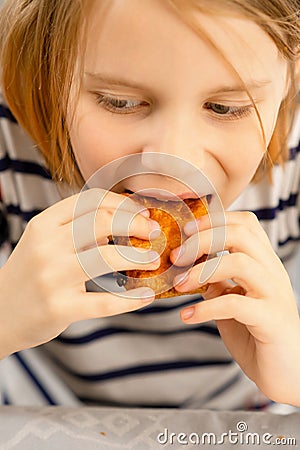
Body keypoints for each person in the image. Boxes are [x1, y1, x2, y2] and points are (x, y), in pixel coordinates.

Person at [0, 0, 299, 410]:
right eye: (119, 102)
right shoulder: (9, 144)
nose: (173, 160)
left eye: (226, 108)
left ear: (291, 77)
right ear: (47, 67)